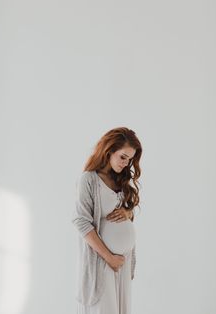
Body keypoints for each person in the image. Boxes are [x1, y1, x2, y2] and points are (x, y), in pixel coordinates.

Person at [71, 127, 143, 314]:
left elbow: (123, 212)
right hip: (102, 261)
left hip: (122, 262)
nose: (126, 164)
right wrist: (109, 257)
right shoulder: (88, 180)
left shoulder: (119, 179)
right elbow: (81, 222)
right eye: (123, 157)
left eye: (130, 160)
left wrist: (128, 213)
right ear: (109, 150)